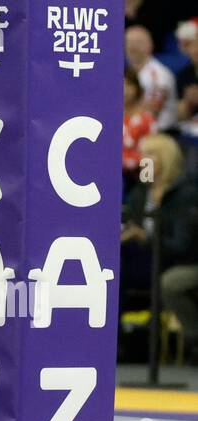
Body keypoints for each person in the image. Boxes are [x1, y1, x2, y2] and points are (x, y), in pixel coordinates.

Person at [122, 134, 198, 362]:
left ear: (164, 159)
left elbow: (181, 244)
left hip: (181, 261)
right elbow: (130, 222)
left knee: (169, 282)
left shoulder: (185, 194)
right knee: (113, 271)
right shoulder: (140, 192)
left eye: (149, 154)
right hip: (144, 261)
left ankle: (194, 341)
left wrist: (144, 237)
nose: (142, 159)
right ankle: (118, 342)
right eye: (142, 154)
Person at [123, 67, 157, 180]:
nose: (125, 90)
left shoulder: (147, 119)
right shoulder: (108, 117)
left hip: (138, 176)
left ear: (137, 88)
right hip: (111, 173)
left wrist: (147, 180)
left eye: (129, 84)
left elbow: (151, 152)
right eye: (120, 84)